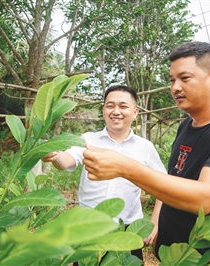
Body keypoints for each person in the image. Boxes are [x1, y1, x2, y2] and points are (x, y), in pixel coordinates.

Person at [82, 42, 210, 259]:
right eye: (172, 80)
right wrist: (158, 226)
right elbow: (172, 181)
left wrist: (125, 168)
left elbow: (204, 199)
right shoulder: (186, 125)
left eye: (184, 78)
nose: (175, 87)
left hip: (203, 257)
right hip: (171, 255)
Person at [42, 85, 167, 263]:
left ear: (135, 112)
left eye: (123, 106)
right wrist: (54, 155)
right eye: (110, 106)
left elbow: (162, 184)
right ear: (103, 110)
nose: (116, 111)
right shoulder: (88, 140)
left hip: (129, 229)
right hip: (89, 226)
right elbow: (66, 160)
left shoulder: (145, 147)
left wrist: (154, 221)